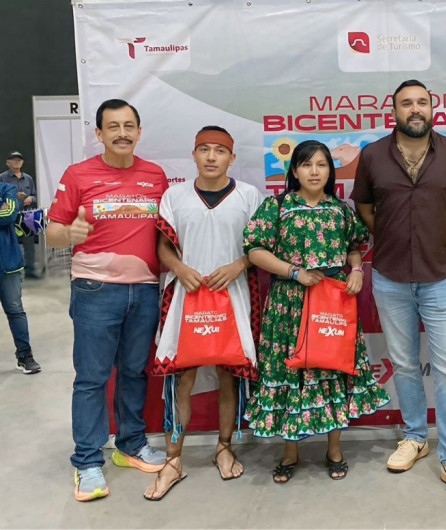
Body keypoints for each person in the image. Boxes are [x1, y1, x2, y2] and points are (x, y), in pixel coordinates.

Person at [352, 79, 446, 502]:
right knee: (405, 363)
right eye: (406, 103)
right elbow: (366, 208)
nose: (415, 109)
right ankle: (413, 436)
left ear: (432, 108)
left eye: (422, 102)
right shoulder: (372, 156)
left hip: (441, 274)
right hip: (389, 275)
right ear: (393, 112)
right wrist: (394, 237)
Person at [243, 140, 390, 482]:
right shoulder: (277, 206)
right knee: (292, 374)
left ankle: (334, 449)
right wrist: (294, 272)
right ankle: (290, 451)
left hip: (332, 305)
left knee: (334, 370)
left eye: (322, 165)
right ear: (294, 170)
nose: (314, 171)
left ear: (330, 171)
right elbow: (254, 250)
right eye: (307, 165)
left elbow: (355, 247)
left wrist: (356, 271)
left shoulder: (340, 210)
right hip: (289, 306)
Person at [45, 99, 168, 502]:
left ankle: (130, 445)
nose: (122, 133)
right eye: (112, 126)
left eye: (129, 125)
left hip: (145, 289)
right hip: (95, 289)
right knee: (92, 378)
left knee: (134, 373)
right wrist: (71, 235)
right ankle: (86, 461)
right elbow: (54, 233)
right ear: (98, 134)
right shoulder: (78, 175)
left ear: (139, 131)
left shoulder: (155, 175)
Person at [142, 126, 264, 500]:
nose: (212, 157)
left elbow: (260, 247)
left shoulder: (249, 196)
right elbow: (164, 247)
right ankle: (174, 460)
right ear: (194, 155)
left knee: (229, 377)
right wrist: (179, 269)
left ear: (232, 158)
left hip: (234, 296)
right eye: (204, 150)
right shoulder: (174, 196)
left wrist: (239, 265)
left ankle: (224, 447)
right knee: (181, 379)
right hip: (185, 296)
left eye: (220, 151)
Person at [0, 181, 40, 374]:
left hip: (8, 265)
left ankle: (25, 355)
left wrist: (7, 209)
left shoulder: (6, 188)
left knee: (15, 311)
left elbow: (8, 216)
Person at [0, 151, 39, 278]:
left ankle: (30, 271)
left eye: (19, 160)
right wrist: (14, 197)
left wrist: (31, 199)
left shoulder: (28, 178)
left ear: (22, 162)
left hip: (26, 215)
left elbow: (35, 194)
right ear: (8, 162)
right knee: (10, 241)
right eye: (14, 160)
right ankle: (10, 270)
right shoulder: (2, 177)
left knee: (29, 244)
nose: (17, 162)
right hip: (9, 216)